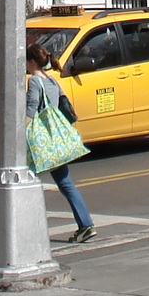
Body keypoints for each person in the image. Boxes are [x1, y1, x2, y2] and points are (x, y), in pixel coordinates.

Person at [25, 43, 94, 244]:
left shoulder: (35, 81)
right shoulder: (52, 80)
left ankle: (24, 228)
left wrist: (21, 132)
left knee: (23, 180)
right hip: (54, 139)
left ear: (31, 62)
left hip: (41, 141)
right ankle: (85, 224)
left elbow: (31, 109)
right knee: (65, 182)